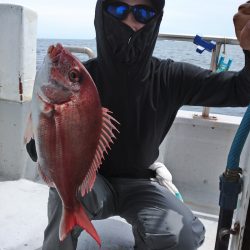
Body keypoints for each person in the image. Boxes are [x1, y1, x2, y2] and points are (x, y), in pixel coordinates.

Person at [26, 0, 250, 249]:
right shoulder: (81, 82)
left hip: (142, 183)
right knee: (63, 192)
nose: (130, 20)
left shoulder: (171, 77)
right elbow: (46, 142)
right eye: (118, 9)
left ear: (156, 19)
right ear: (102, 14)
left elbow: (240, 90)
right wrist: (41, 144)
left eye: (144, 12)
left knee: (184, 234)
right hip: (91, 181)